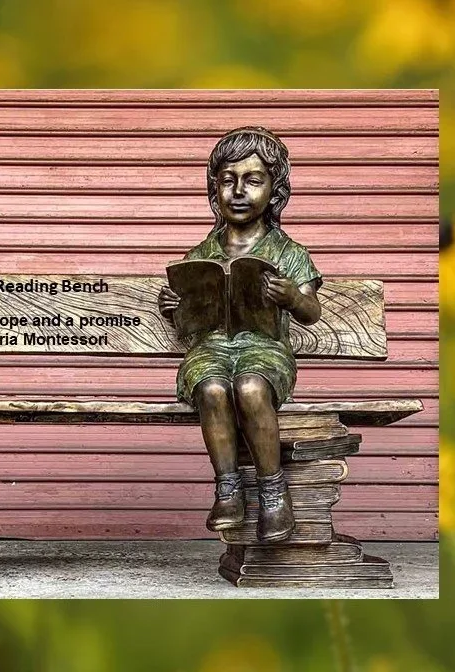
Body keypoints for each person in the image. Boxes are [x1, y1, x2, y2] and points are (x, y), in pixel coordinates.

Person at [157, 127, 323, 542]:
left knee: (249, 387)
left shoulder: (289, 253)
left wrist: (291, 297)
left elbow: (312, 313)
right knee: (212, 388)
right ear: (215, 189)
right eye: (228, 180)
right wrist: (176, 309)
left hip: (265, 349)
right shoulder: (200, 254)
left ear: (275, 190)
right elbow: (189, 327)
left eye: (252, 180)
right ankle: (227, 490)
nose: (238, 191)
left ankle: (273, 492)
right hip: (211, 348)